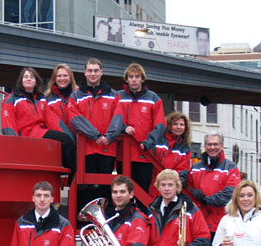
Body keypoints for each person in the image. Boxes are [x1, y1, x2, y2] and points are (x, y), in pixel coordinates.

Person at [185, 132, 240, 246]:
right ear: (205, 146)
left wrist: (206, 199)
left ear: (222, 146)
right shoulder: (196, 167)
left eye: (216, 144)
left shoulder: (230, 167)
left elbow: (230, 193)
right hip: (198, 225)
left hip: (219, 225)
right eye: (209, 144)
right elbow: (189, 188)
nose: (212, 147)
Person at [1, 67, 76, 182]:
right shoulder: (11, 99)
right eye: (26, 77)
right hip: (26, 136)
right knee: (65, 142)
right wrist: (15, 145)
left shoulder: (40, 99)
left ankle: (72, 178)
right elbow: (8, 123)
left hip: (40, 132)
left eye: (32, 77)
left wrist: (71, 137)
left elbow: (53, 120)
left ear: (36, 81)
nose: (29, 79)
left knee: (66, 141)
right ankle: (73, 179)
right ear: (21, 80)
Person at [68, 58, 124, 176]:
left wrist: (109, 136)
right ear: (85, 73)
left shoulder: (114, 95)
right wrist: (95, 135)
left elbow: (118, 118)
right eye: (90, 71)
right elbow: (74, 118)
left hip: (107, 147)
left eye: (96, 70)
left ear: (101, 72)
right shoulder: (76, 96)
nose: (93, 74)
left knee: (105, 187)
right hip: (86, 149)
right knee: (87, 188)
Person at [118, 63, 167, 192]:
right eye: (131, 76)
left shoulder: (153, 98)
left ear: (142, 79)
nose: (134, 80)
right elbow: (112, 120)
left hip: (144, 154)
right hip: (122, 154)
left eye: (137, 76)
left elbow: (160, 125)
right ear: (126, 79)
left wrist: (148, 142)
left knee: (142, 191)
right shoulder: (118, 97)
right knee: (122, 191)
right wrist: (123, 128)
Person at [140, 111, 192, 179]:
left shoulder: (185, 149)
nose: (178, 127)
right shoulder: (158, 140)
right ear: (169, 125)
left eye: (181, 125)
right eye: (175, 124)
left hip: (170, 184)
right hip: (152, 182)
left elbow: (182, 169)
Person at [42, 63, 77, 139]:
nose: (62, 78)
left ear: (70, 77)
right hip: (57, 141)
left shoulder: (78, 96)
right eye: (59, 76)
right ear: (54, 78)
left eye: (65, 75)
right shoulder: (47, 98)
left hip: (77, 141)